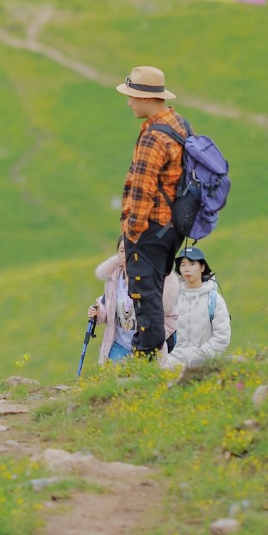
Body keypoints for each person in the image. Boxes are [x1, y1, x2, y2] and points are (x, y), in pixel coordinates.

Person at [115, 66, 189, 358]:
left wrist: (131, 233)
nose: (128, 103)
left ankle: (146, 359)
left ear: (146, 97)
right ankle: (157, 359)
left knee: (144, 297)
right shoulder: (178, 123)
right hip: (172, 226)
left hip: (150, 229)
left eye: (132, 96)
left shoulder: (153, 137)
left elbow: (142, 190)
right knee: (154, 293)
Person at [161, 252, 231, 373]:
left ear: (202, 267)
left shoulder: (214, 300)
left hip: (205, 363)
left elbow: (222, 337)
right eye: (183, 265)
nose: (187, 269)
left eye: (192, 264)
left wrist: (199, 357)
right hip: (173, 363)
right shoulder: (173, 298)